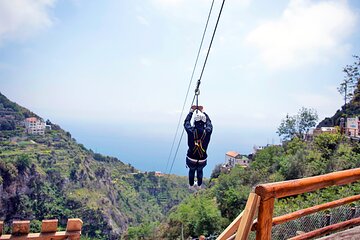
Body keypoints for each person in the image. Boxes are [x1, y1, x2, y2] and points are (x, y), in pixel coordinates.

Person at [184, 105, 213, 186]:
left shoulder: (191, 131)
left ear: (195, 122)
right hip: (202, 160)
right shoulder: (208, 131)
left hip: (191, 159)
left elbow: (186, 122)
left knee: (191, 170)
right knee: (200, 170)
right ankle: (199, 184)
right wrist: (203, 111)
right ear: (204, 123)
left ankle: (191, 183)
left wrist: (191, 111)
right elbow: (209, 123)